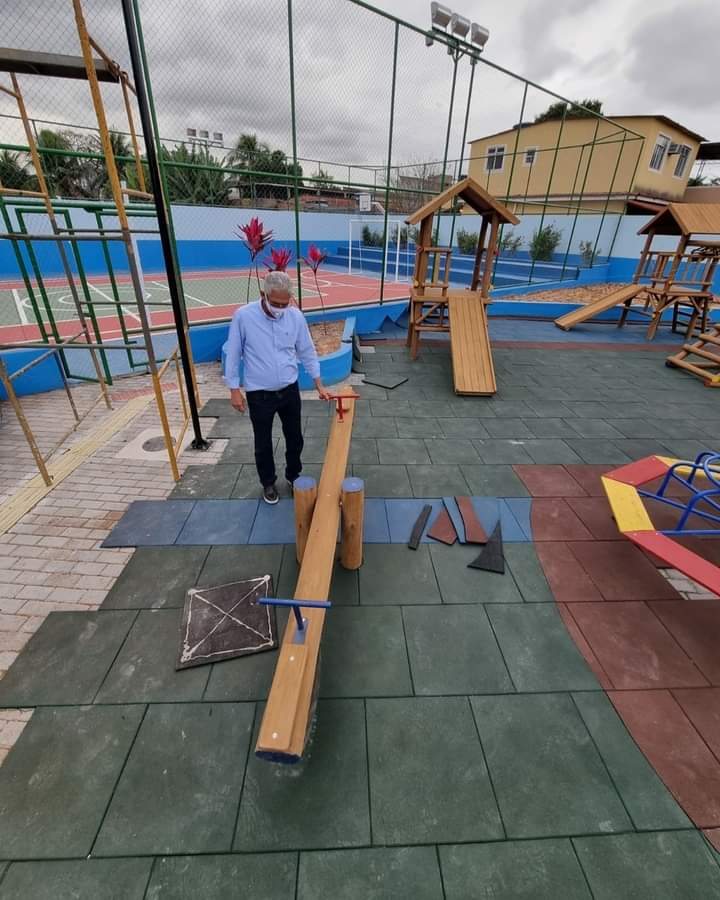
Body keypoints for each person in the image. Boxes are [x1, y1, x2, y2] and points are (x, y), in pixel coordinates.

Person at [224, 270, 332, 504]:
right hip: (259, 394)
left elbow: (306, 350)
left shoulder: (295, 316)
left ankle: (293, 476)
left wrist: (319, 384)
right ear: (263, 294)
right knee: (262, 442)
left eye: (285, 303)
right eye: (275, 303)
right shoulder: (244, 316)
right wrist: (234, 389)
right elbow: (233, 353)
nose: (281, 308)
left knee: (295, 437)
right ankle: (268, 483)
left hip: (289, 390)